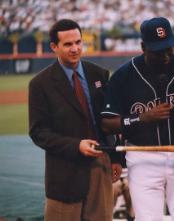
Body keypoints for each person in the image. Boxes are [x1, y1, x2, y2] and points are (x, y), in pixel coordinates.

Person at [101, 17, 174, 221]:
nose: (165, 56)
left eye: (169, 49)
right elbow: (107, 124)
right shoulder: (123, 77)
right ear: (143, 47)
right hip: (143, 156)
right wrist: (142, 119)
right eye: (158, 51)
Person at [28, 19, 122, 221]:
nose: (75, 48)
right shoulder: (40, 84)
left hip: (100, 164)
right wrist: (75, 145)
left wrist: (115, 158)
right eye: (68, 44)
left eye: (78, 42)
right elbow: (38, 133)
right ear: (54, 47)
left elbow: (108, 122)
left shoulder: (98, 74)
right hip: (64, 172)